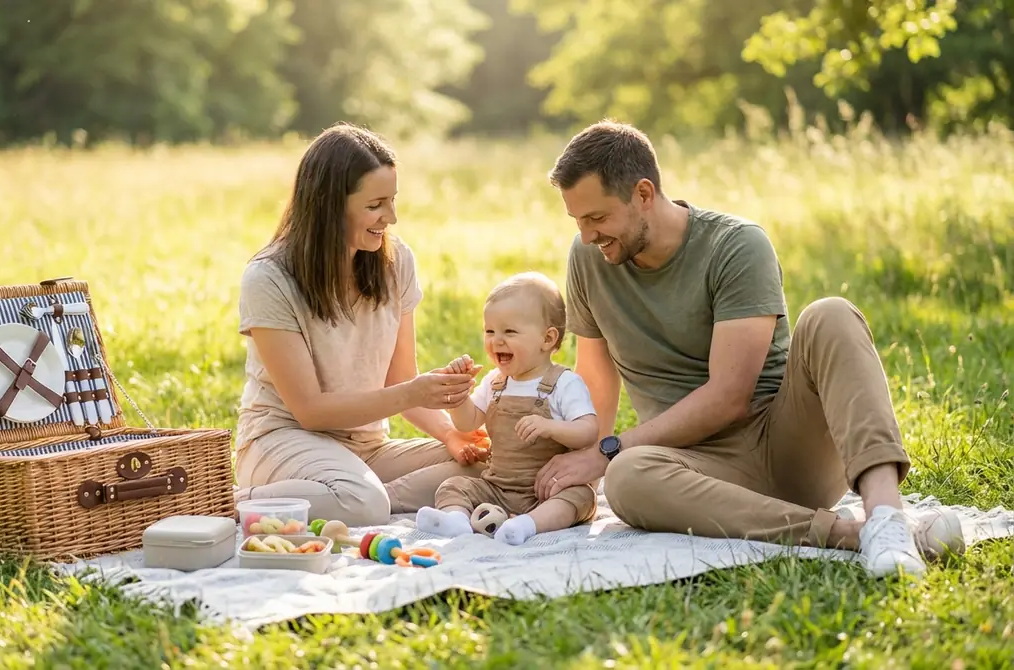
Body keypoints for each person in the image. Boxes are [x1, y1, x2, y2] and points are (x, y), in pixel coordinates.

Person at [534, 120, 965, 578]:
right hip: (694, 470)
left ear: (643, 194)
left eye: (597, 218)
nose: (586, 235)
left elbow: (729, 397)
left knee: (831, 313)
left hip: (786, 449)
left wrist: (609, 448)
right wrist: (583, 458)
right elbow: (596, 379)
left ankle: (887, 516)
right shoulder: (589, 260)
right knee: (626, 476)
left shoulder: (736, 245)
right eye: (577, 220)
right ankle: (855, 535)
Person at [233, 122, 489, 526]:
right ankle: (229, 502)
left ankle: (356, 497)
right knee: (363, 500)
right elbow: (311, 411)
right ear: (329, 205)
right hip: (282, 441)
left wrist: (449, 434)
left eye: (392, 201)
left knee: (499, 466)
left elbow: (399, 376)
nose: (391, 217)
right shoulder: (269, 278)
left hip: (364, 447)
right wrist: (414, 392)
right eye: (376, 205)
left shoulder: (396, 263)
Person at [415, 272, 600, 545]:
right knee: (454, 486)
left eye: (509, 331)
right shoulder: (495, 382)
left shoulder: (563, 383)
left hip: (547, 489)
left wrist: (551, 427)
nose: (496, 340)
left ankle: (528, 525)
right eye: (489, 331)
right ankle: (456, 521)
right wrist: (458, 396)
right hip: (496, 487)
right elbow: (467, 423)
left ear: (547, 339)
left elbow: (589, 431)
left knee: (581, 497)